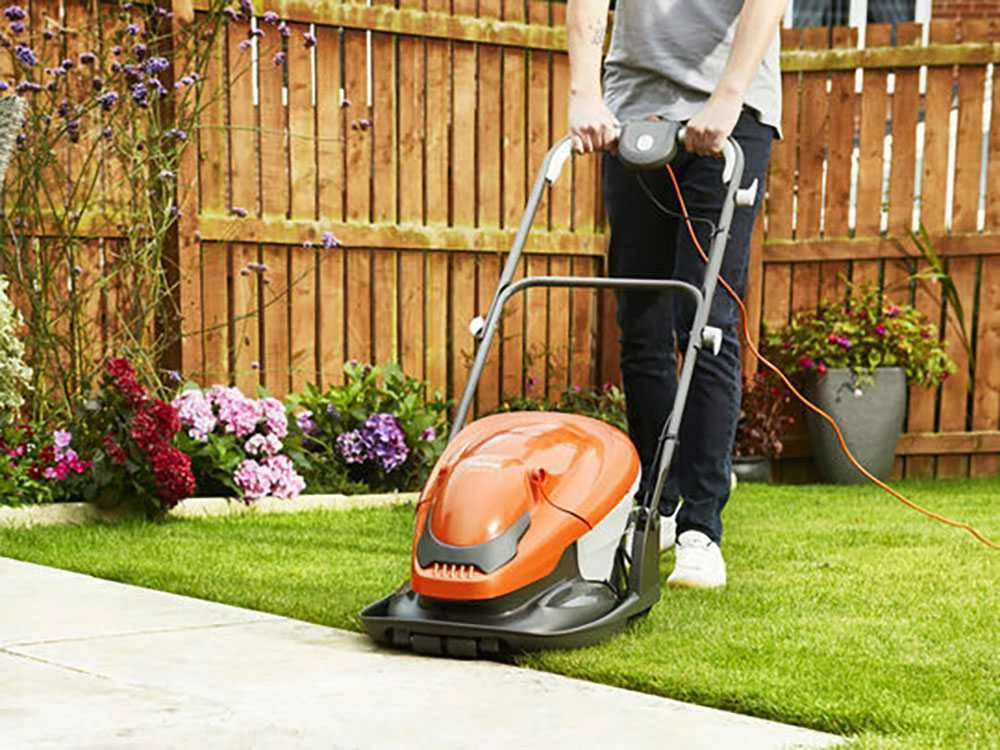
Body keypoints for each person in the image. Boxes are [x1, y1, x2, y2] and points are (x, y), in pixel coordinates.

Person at [567, 0, 786, 588]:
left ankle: (700, 529)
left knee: (705, 322)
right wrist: (585, 92)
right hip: (632, 111)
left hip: (730, 114)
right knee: (640, 320)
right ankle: (656, 505)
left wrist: (727, 97)